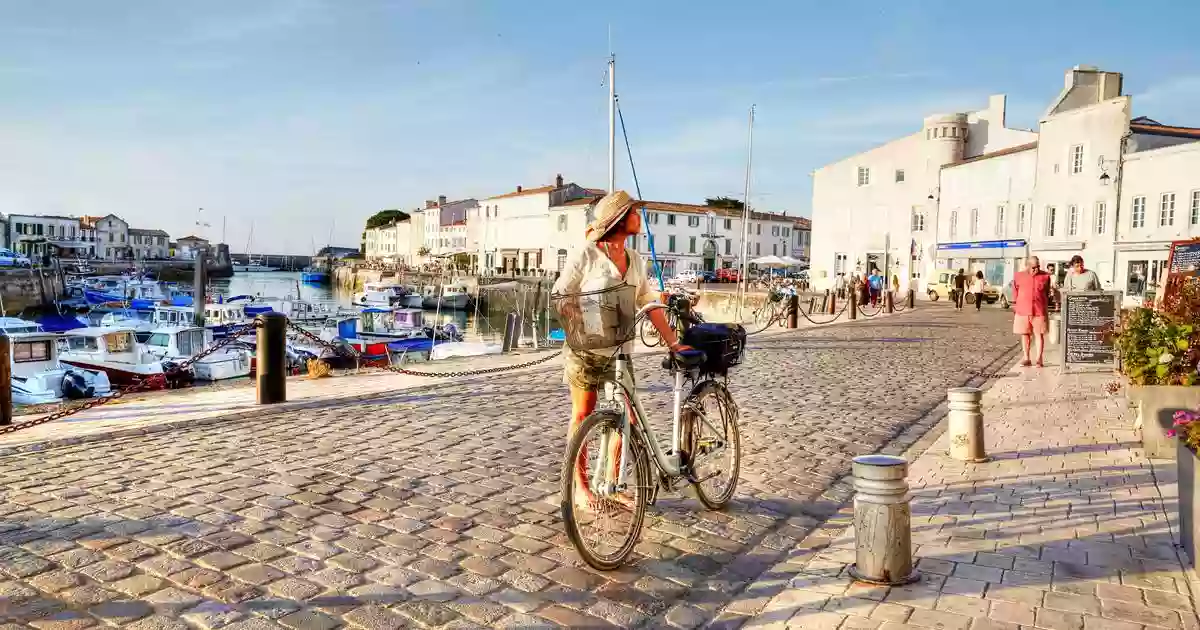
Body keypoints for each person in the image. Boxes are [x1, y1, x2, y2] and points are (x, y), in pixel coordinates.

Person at [552, 190, 690, 510]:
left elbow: (649, 303)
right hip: (585, 350)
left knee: (625, 417)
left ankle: (611, 483)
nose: (639, 217)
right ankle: (581, 487)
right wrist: (584, 319)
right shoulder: (586, 254)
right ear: (618, 219)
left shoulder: (636, 260)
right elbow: (561, 294)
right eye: (633, 213)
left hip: (621, 352)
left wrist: (672, 342)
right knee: (583, 415)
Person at [1012, 255, 1051, 367]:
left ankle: (1039, 359)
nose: (1036, 269)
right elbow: (1015, 292)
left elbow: (1047, 292)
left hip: (1039, 310)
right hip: (1023, 310)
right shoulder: (1018, 276)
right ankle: (1026, 358)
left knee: (1039, 334)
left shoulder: (1045, 276)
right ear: (1027, 266)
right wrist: (1015, 305)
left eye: (1038, 266)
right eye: (1034, 267)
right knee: (1025, 334)